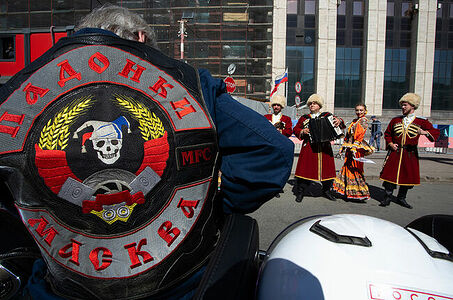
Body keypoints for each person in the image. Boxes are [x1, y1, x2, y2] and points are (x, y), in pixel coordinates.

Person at [0, 5, 294, 299]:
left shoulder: (13, 92)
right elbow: (272, 152)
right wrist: (209, 207)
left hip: (58, 290)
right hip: (179, 288)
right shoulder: (189, 82)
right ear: (140, 37)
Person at [379, 93, 439, 209]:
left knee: (407, 176)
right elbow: (387, 134)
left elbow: (435, 132)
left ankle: (402, 198)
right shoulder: (395, 120)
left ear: (412, 106)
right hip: (395, 153)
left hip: (410, 153)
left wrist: (425, 132)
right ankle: (387, 197)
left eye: (405, 105)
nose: (402, 107)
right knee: (390, 176)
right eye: (402, 105)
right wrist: (390, 143)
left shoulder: (422, 121)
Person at [293, 93, 345, 203]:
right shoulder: (304, 118)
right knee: (305, 171)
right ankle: (301, 191)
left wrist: (339, 121)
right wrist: (302, 131)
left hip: (324, 148)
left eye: (315, 103)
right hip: (309, 148)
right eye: (310, 103)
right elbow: (296, 129)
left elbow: (339, 123)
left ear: (319, 105)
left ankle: (326, 190)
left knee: (326, 170)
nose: (312, 105)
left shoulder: (327, 116)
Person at [332, 103, 374, 202]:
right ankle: (348, 192)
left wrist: (354, 148)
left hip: (356, 150)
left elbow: (359, 136)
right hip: (350, 149)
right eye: (357, 110)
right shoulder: (355, 120)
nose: (359, 112)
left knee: (355, 169)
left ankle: (358, 193)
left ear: (365, 111)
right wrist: (343, 147)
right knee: (347, 168)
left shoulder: (363, 120)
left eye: (361, 110)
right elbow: (348, 135)